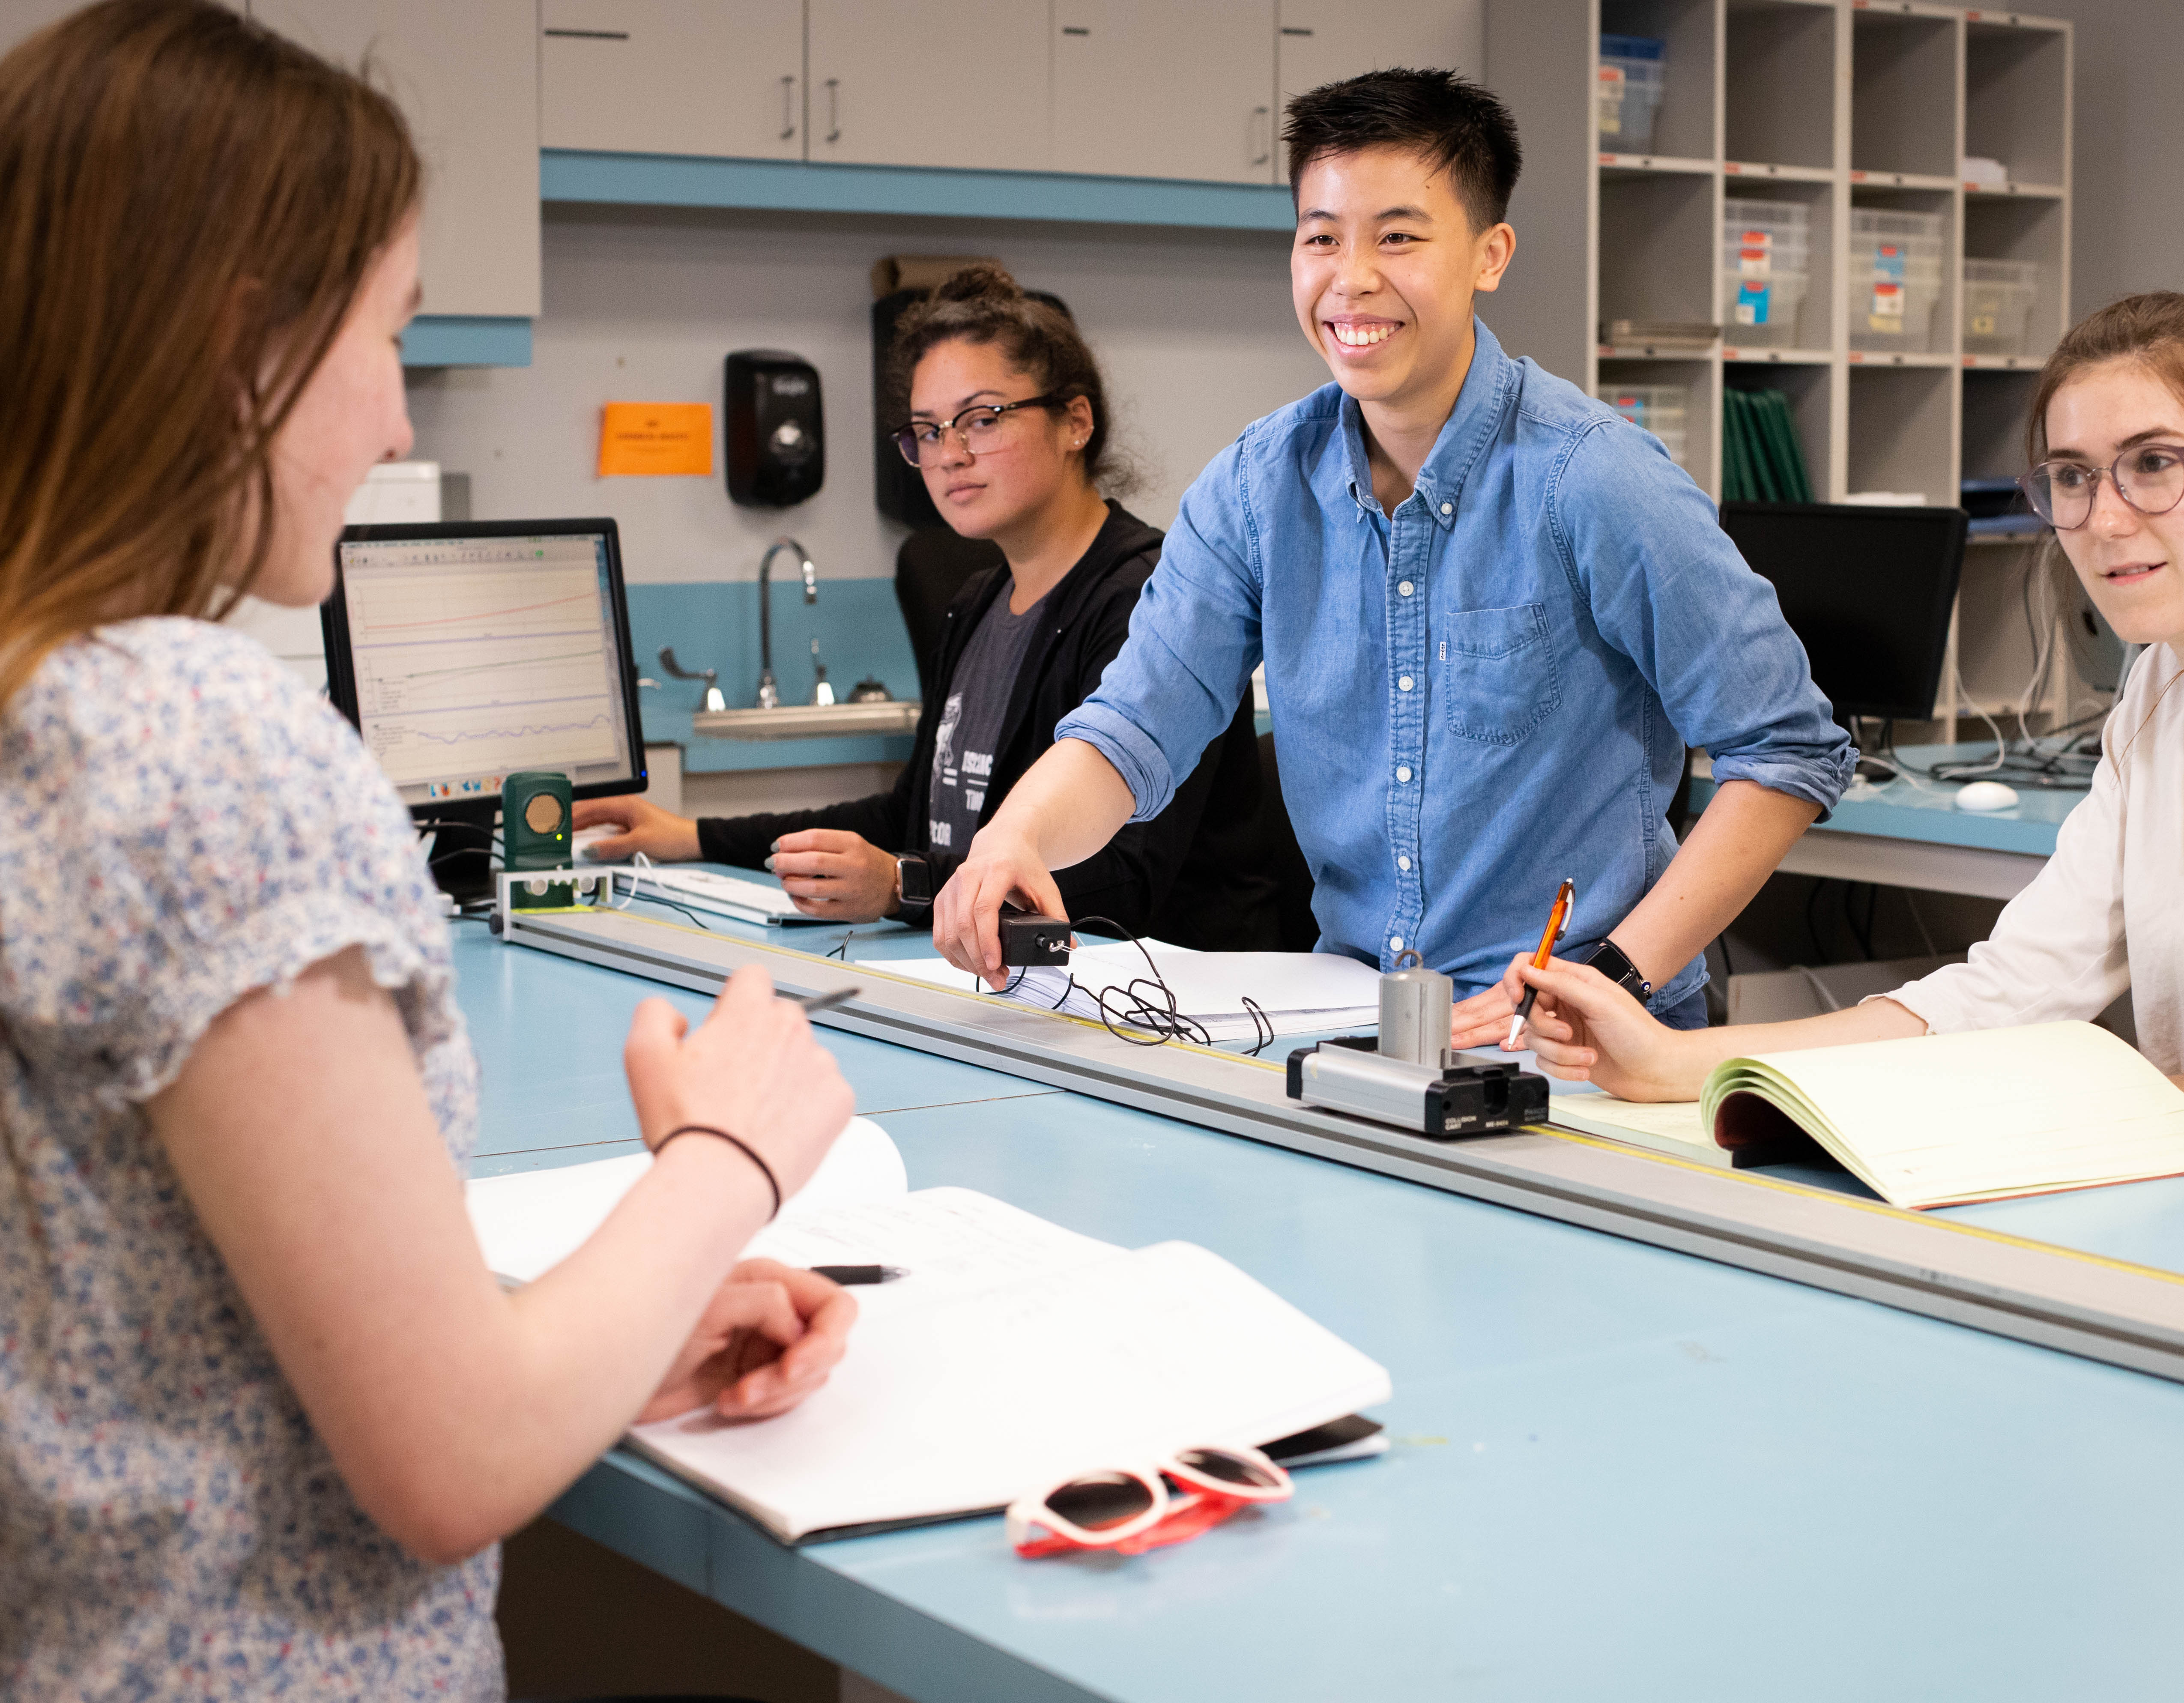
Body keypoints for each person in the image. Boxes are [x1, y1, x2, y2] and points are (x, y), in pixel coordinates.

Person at [0, 4, 864, 1692]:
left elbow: (159, 1323)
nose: (400, 424)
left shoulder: (46, 713)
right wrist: (729, 1162)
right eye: (388, 338)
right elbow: (452, 1453)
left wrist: (600, 1348)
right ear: (244, 339)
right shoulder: (201, 745)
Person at [1516, 293, 2184, 1194]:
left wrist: (2081, 1095)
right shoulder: (2163, 689)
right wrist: (1680, 1062)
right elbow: (2012, 989)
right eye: (2074, 478)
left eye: (2155, 464)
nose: (2105, 516)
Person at [931, 69, 1853, 1043]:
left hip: (1585, 1046)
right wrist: (1017, 835)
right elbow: (1136, 727)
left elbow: (1787, 749)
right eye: (1321, 236)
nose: (1352, 277)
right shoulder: (1256, 488)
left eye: (1399, 235)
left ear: (1490, 255)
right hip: (1360, 1024)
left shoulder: (1592, 478)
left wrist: (1615, 979)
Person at [578, 266, 1294, 949]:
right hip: (1011, 983)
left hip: (1174, 1003)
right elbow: (909, 817)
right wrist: (692, 836)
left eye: (981, 419)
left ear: (1076, 421)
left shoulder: (1146, 602)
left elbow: (1123, 884)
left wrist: (901, 886)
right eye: (926, 430)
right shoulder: (976, 602)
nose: (949, 454)